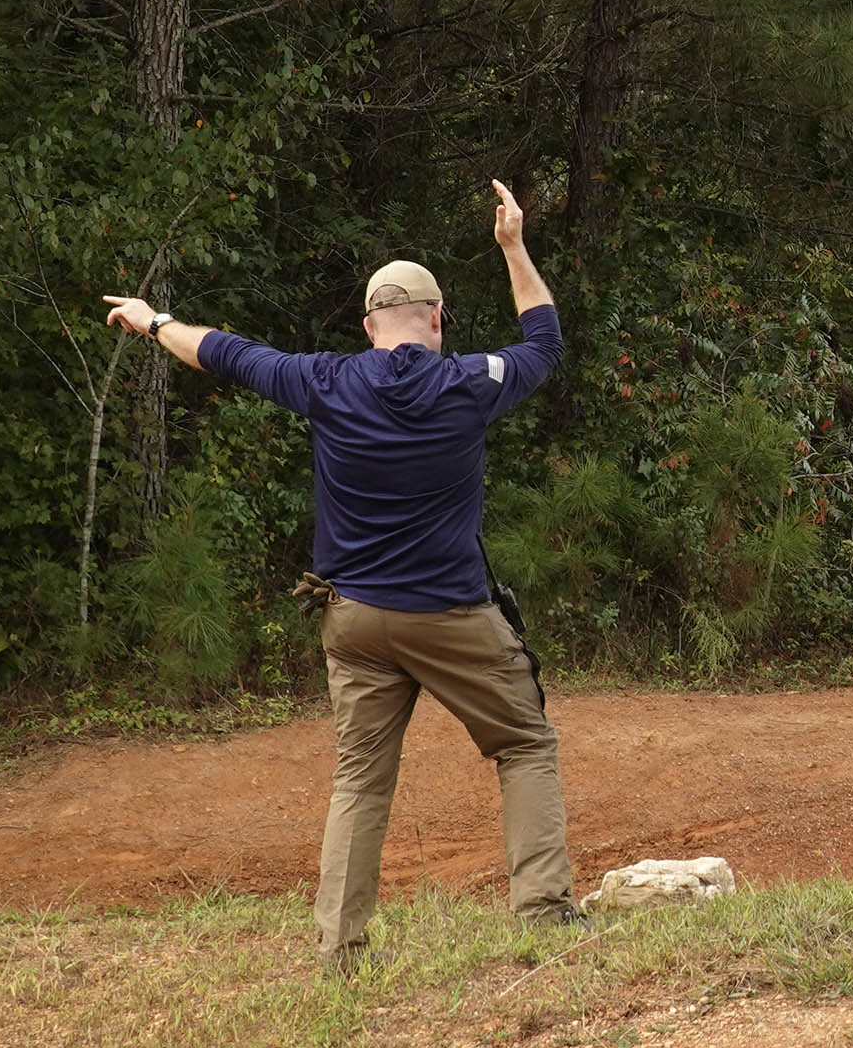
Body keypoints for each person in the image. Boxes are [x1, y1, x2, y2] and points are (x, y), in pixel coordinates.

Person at [102, 179, 580, 968]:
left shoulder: (324, 381)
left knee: (360, 781)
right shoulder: (472, 383)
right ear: (437, 319)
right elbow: (545, 340)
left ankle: (339, 952)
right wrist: (512, 245)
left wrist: (153, 321)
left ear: (367, 327)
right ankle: (544, 915)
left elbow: (223, 351)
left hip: (354, 621)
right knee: (525, 744)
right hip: (452, 616)